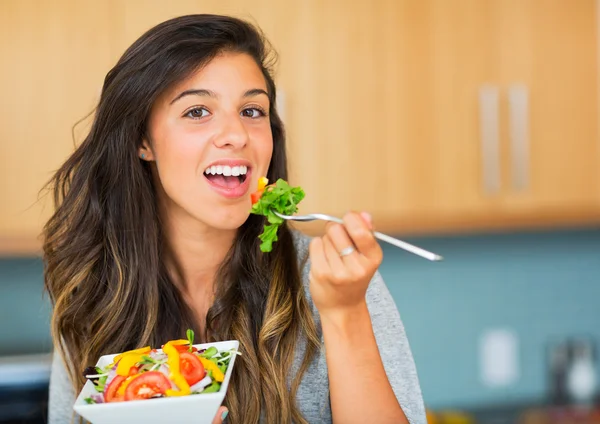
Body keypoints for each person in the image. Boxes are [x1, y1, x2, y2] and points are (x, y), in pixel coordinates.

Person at [44, 14, 426, 424]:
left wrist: (345, 313)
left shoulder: (334, 283)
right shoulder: (95, 296)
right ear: (143, 140)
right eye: (197, 111)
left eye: (252, 110)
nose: (237, 134)